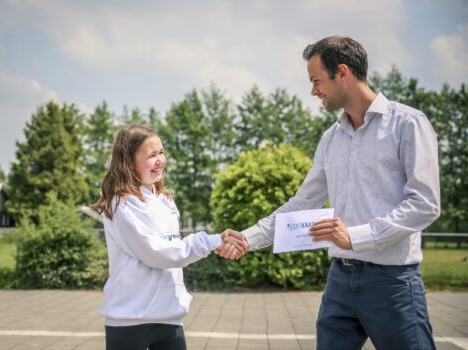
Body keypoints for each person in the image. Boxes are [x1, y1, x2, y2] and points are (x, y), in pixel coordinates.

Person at [217, 36, 440, 350]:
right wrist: (247, 238)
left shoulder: (408, 124)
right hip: (340, 280)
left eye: (316, 80)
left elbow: (425, 204)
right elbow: (302, 202)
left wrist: (357, 236)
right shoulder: (331, 139)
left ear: (343, 73)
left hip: (392, 283)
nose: (313, 91)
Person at [91, 124, 247, 350]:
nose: (160, 160)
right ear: (128, 161)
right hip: (129, 321)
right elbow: (159, 253)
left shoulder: (165, 200)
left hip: (169, 318)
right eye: (151, 155)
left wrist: (217, 242)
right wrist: (213, 241)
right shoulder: (122, 203)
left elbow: (173, 252)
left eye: (161, 152)